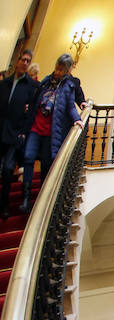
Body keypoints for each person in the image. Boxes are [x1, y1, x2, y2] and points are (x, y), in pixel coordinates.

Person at [21, 53, 84, 212]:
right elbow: (35, 100)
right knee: (28, 157)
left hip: (52, 131)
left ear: (68, 70)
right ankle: (26, 198)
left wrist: (77, 118)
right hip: (36, 127)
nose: (58, 72)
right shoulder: (45, 82)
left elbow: (70, 106)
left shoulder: (69, 86)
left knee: (46, 164)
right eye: (57, 68)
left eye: (62, 69)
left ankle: (42, 198)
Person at [1, 48, 39, 219]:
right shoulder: (4, 84)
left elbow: (31, 113)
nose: (24, 63)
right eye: (22, 59)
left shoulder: (31, 86)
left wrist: (23, 133)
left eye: (27, 61)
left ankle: (5, 205)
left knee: (8, 169)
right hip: (1, 130)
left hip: (15, 135)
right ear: (17, 61)